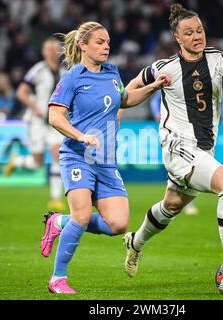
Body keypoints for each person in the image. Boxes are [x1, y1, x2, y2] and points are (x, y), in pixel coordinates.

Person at [122, 4, 223, 278]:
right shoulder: (163, 67)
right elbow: (129, 89)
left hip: (204, 149)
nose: (197, 36)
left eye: (200, 30)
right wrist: (150, 89)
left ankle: (135, 243)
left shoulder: (218, 60)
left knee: (171, 205)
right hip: (178, 146)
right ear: (177, 39)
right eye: (189, 32)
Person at [42, 21, 170, 294]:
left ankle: (57, 222)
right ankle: (58, 279)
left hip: (106, 162)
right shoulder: (72, 78)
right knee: (82, 215)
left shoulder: (112, 73)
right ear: (83, 45)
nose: (106, 46)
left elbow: (124, 99)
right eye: (99, 42)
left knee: (118, 224)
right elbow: (54, 116)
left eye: (108, 42)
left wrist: (154, 87)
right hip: (78, 157)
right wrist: (80, 136)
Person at [3, 37, 66, 211]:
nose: (53, 51)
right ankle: (17, 161)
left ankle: (55, 199)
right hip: (37, 122)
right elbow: (21, 92)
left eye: (55, 48)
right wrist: (36, 107)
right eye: (49, 48)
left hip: (55, 122)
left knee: (57, 155)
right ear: (44, 52)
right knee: (36, 163)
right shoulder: (37, 70)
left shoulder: (65, 70)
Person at [149, 90, 223, 215]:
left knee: (194, 166)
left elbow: (219, 97)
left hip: (201, 129)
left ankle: (179, 202)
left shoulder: (208, 76)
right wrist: (157, 113)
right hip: (176, 130)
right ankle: (179, 202)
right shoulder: (174, 76)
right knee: (182, 166)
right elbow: (154, 100)